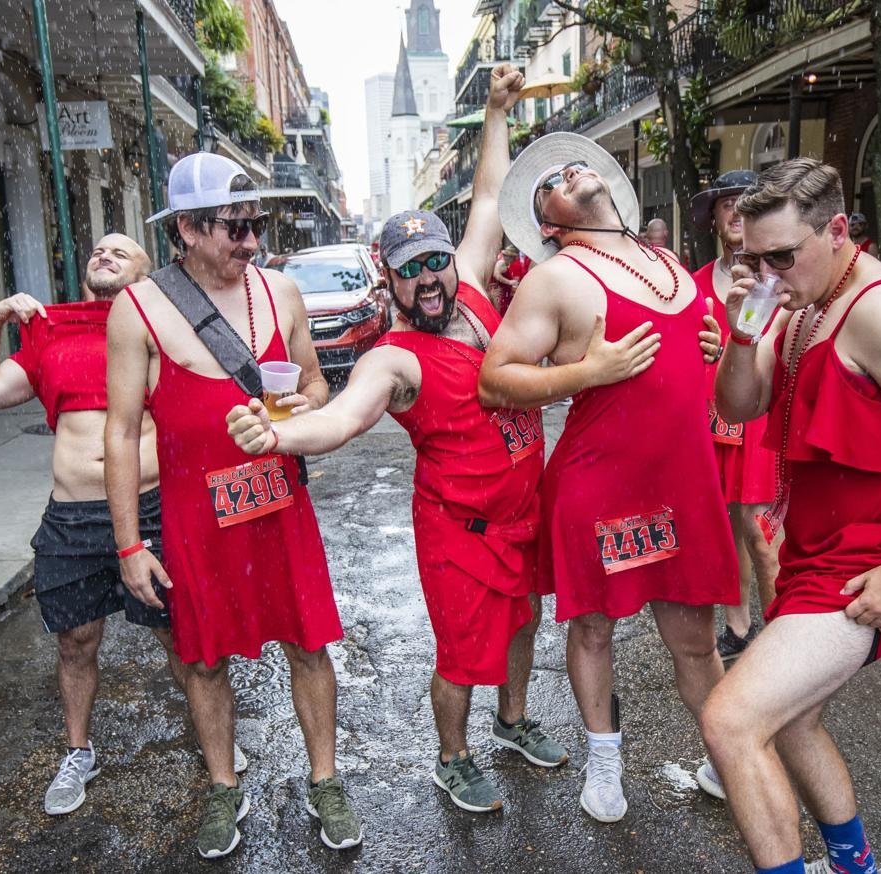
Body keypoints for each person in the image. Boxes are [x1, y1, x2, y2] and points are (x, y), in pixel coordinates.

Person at [226, 65, 574, 816]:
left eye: (434, 262)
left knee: (524, 621)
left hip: (522, 514)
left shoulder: (477, 292)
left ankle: (511, 723)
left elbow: (487, 195)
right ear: (388, 280)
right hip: (458, 530)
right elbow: (343, 419)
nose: (427, 279)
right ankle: (453, 757)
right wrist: (278, 431)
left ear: (451, 260)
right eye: (409, 270)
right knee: (461, 656)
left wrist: (494, 111)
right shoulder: (395, 356)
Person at [703, 158, 881, 874]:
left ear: (839, 230)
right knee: (791, 722)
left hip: (874, 560)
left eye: (782, 255)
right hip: (817, 554)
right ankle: (857, 866)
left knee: (731, 720)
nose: (767, 273)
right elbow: (738, 407)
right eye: (752, 258)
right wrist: (741, 332)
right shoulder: (796, 302)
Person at [104, 152, 361, 858]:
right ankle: (223, 786)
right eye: (233, 228)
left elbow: (314, 385)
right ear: (185, 229)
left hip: (280, 507)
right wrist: (129, 545)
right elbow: (121, 433)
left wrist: (291, 409)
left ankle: (326, 780)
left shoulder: (278, 293)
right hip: (196, 520)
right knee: (205, 660)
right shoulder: (139, 310)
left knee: (309, 645)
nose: (250, 241)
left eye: (255, 224)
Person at [478, 132, 735, 823]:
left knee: (695, 639)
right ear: (550, 224)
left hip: (681, 486)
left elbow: (695, 373)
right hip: (600, 489)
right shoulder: (555, 277)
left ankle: (726, 752)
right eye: (551, 182)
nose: (569, 172)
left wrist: (716, 345)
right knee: (593, 631)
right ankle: (604, 760)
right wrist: (586, 374)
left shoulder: (665, 263)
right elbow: (494, 379)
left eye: (574, 165)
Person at [0, 235, 247, 816]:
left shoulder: (161, 332)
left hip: (153, 510)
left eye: (121, 251)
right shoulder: (55, 336)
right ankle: (78, 751)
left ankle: (213, 743)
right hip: (72, 516)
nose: (104, 255)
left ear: (148, 274)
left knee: (183, 640)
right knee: (75, 643)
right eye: (97, 250)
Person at [691, 171, 780, 665]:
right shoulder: (696, 282)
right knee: (725, 528)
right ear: (716, 217)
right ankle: (738, 625)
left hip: (761, 417)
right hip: (711, 417)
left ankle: (783, 630)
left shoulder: (777, 276)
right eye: (728, 203)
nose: (737, 210)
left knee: (761, 531)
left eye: (747, 202)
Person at [492, 244, 531, 315]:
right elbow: (496, 275)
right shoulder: (501, 263)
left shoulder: (505, 264)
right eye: (513, 259)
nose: (513, 261)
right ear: (509, 257)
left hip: (506, 294)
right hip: (502, 294)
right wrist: (509, 282)